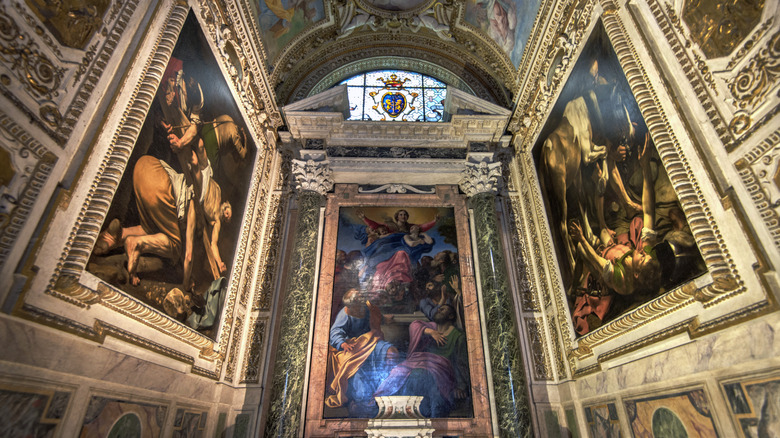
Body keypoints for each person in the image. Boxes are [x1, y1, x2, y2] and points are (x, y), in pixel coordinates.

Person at [568, 134, 663, 334]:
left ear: (636, 273)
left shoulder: (621, 280)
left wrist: (581, 239)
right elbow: (648, 211)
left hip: (603, 260)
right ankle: (603, 188)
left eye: (643, 257)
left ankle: (575, 286)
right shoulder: (644, 256)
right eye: (647, 254)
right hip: (616, 248)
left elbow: (596, 260)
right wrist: (645, 166)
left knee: (583, 248)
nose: (645, 252)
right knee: (609, 228)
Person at [94, 155, 232, 290]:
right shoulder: (197, 203)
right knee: (174, 246)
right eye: (227, 212)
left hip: (146, 166)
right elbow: (188, 256)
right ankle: (136, 244)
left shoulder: (213, 203)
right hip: (162, 185)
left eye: (227, 218)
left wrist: (219, 263)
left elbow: (213, 243)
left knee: (149, 228)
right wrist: (185, 283)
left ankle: (117, 235)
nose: (227, 216)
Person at [374, 304, 470, 418]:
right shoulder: (432, 327)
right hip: (419, 363)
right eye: (438, 308)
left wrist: (461, 386)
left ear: (451, 316)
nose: (438, 309)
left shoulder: (458, 336)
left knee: (422, 377)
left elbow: (461, 362)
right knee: (398, 372)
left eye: (443, 309)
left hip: (440, 370)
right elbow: (414, 325)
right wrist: (431, 332)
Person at [326, 289, 398, 417]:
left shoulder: (367, 307)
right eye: (358, 298)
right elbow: (335, 332)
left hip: (371, 341)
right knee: (355, 369)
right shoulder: (345, 313)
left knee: (392, 352)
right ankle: (364, 400)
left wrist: (383, 319)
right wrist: (342, 343)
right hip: (353, 346)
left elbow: (375, 318)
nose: (362, 299)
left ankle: (386, 388)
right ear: (352, 305)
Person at [357, 209, 438, 234]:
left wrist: (434, 221)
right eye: (401, 215)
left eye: (405, 215)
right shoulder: (390, 225)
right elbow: (375, 225)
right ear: (397, 217)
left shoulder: (410, 226)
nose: (403, 216)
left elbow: (422, 227)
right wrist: (364, 218)